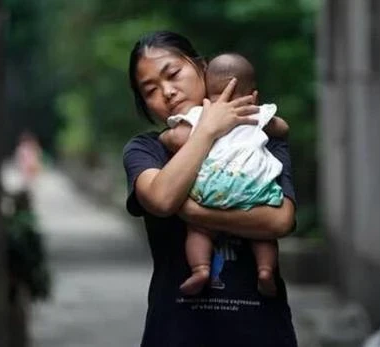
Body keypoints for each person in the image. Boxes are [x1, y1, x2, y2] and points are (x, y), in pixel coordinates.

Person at [124, 31, 297, 346]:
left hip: (261, 333)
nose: (167, 91)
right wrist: (207, 130)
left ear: (202, 67)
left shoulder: (257, 136)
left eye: (173, 74)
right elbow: (161, 199)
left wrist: (189, 209)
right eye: (150, 90)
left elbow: (280, 220)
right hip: (176, 335)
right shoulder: (146, 149)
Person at [158, 52, 288, 297]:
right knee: (263, 236)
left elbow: (177, 138)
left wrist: (163, 137)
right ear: (254, 95)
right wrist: (267, 122)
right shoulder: (256, 112)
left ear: (207, 93)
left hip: (212, 186)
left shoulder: (203, 115)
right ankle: (265, 270)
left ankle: (200, 269)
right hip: (252, 186)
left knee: (197, 228)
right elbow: (282, 128)